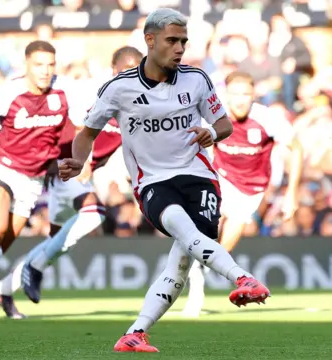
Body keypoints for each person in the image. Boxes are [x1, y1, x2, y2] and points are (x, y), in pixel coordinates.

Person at [57, 8, 270, 353]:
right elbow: (87, 134)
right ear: (150, 40)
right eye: (172, 40)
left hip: (199, 177)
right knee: (185, 233)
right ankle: (242, 278)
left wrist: (210, 133)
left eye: (183, 41)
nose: (180, 48)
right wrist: (78, 161)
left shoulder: (196, 79)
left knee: (183, 260)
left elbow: (225, 125)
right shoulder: (119, 88)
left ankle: (135, 333)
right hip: (153, 182)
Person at [0, 46, 143, 318]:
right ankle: (33, 267)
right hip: (62, 168)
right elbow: (71, 123)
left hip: (79, 175)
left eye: (137, 72)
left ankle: (4, 288)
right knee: (93, 214)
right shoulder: (91, 92)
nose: (131, 78)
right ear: (113, 71)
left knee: (55, 243)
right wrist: (80, 158)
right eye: (125, 72)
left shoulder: (140, 107)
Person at [0, 41, 84, 323]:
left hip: (33, 178)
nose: (45, 71)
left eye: (50, 65)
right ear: (26, 65)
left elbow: (84, 129)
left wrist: (82, 161)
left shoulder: (67, 91)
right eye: (39, 65)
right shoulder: (8, 93)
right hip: (1, 166)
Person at [181, 71, 302, 317]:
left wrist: (292, 194)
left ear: (253, 95)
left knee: (223, 246)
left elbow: (297, 148)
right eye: (235, 94)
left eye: (246, 94)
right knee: (201, 232)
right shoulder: (213, 116)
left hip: (251, 187)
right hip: (220, 177)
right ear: (226, 95)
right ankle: (195, 285)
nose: (240, 100)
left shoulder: (268, 119)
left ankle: (202, 270)